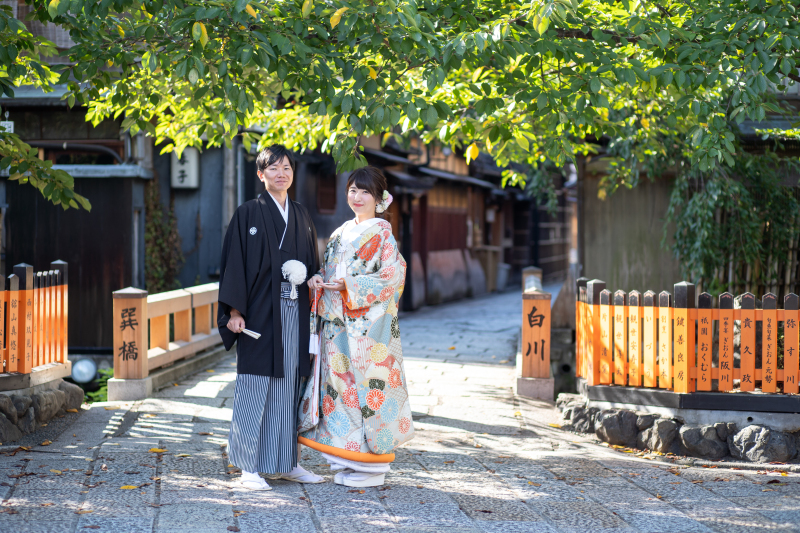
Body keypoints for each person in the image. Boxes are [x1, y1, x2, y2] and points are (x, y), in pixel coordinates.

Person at [217, 144, 325, 490]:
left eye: (287, 168)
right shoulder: (248, 213)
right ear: (261, 175)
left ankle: (284, 462)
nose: (282, 174)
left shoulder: (302, 215)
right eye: (273, 168)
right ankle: (249, 466)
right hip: (260, 312)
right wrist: (234, 311)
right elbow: (234, 263)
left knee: (287, 385)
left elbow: (311, 263)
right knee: (254, 383)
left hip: (293, 310)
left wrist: (312, 277)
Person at [302, 166, 414, 488]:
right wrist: (319, 279)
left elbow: (393, 276)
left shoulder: (382, 234)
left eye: (365, 191)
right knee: (340, 394)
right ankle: (348, 460)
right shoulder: (339, 233)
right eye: (352, 189)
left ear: (378, 198)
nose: (357, 197)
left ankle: (372, 467)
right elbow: (329, 269)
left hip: (367, 330)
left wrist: (349, 285)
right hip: (336, 326)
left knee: (368, 391)